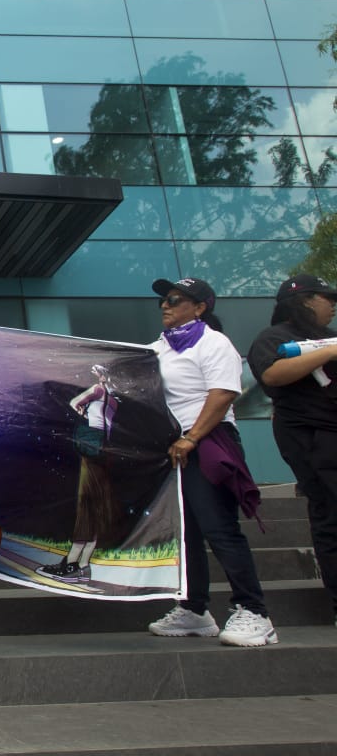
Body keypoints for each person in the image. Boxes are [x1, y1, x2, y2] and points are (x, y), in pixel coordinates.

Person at [145, 277, 276, 647]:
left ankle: (255, 611)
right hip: (175, 448)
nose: (165, 306)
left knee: (219, 528)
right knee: (185, 534)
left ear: (200, 307)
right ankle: (195, 610)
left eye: (174, 300)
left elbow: (223, 395)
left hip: (207, 441)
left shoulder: (213, 343)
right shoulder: (161, 348)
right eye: (163, 302)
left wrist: (192, 437)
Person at [248, 274, 337, 630]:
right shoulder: (275, 338)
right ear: (302, 301)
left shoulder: (325, 338)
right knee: (331, 512)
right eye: (325, 297)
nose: (331, 304)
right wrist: (329, 351)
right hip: (311, 436)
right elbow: (272, 374)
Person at [37, 364, 119, 583]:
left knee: (87, 504)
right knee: (96, 505)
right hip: (105, 450)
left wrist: (82, 410)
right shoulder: (114, 399)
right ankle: (83, 564)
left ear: (103, 376)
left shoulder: (98, 390)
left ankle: (72, 563)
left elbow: (75, 402)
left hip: (92, 448)